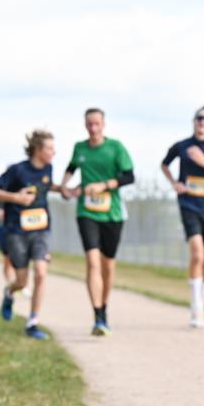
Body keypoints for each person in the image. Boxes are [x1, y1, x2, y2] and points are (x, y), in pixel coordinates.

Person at [59, 108, 135, 336]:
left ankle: (105, 306)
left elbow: (130, 176)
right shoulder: (79, 148)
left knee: (107, 265)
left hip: (112, 213)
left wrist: (104, 185)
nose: (93, 129)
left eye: (96, 124)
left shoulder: (116, 148)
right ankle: (98, 316)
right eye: (89, 124)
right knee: (92, 262)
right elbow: (71, 168)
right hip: (87, 211)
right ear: (85, 125)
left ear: (103, 125)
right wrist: (64, 186)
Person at [0, 130, 61, 340]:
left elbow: (44, 186)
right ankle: (9, 293)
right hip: (16, 231)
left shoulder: (49, 168)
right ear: (38, 149)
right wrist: (15, 198)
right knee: (21, 281)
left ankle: (33, 322)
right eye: (50, 148)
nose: (54, 152)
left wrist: (64, 189)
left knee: (40, 272)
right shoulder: (17, 170)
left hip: (41, 230)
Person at [161, 105, 204, 327]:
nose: (202, 122)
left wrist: (202, 161)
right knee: (197, 254)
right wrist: (174, 183)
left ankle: (201, 300)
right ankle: (196, 307)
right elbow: (164, 164)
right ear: (193, 121)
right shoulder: (183, 145)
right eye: (199, 118)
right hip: (189, 204)